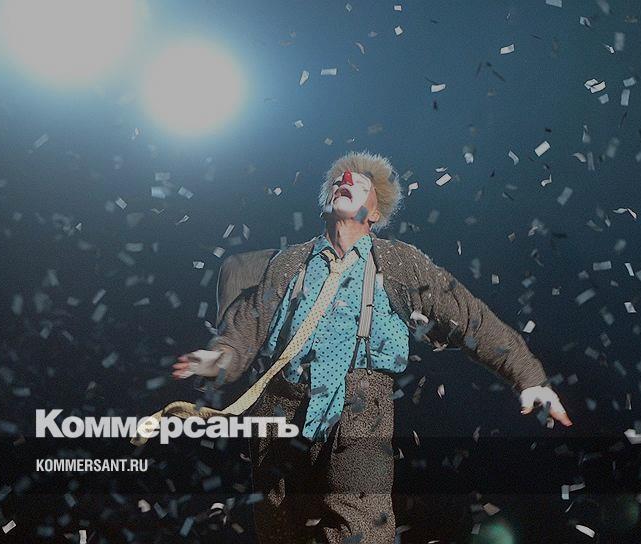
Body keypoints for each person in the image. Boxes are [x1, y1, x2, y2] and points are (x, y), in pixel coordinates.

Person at [171, 150, 571, 543]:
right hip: (281, 406)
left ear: (375, 213)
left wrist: (529, 377)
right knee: (281, 527)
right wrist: (216, 358)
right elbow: (248, 327)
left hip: (361, 406)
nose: (345, 181)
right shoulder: (289, 263)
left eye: (360, 184)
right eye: (338, 181)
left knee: (359, 527)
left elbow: (470, 316)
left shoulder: (399, 263)